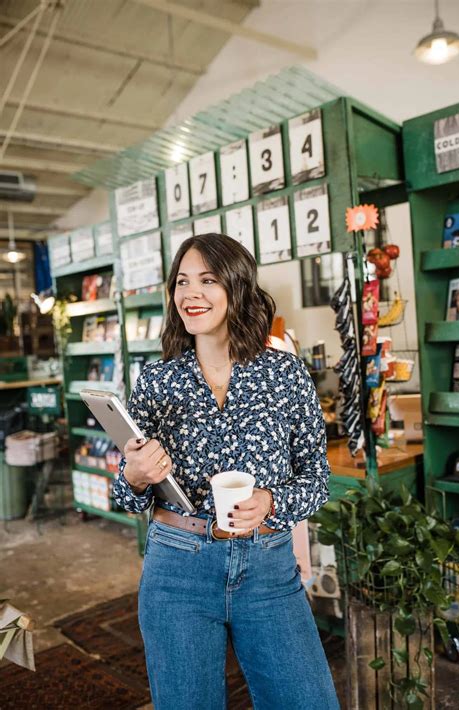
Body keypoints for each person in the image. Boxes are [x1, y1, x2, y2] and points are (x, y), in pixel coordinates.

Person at [112, 233, 339, 710]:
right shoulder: (157, 380)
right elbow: (126, 496)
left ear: (236, 287)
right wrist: (134, 475)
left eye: (208, 280)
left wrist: (272, 503)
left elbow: (316, 477)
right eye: (182, 283)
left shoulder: (285, 374)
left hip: (268, 566)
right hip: (177, 568)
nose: (191, 294)